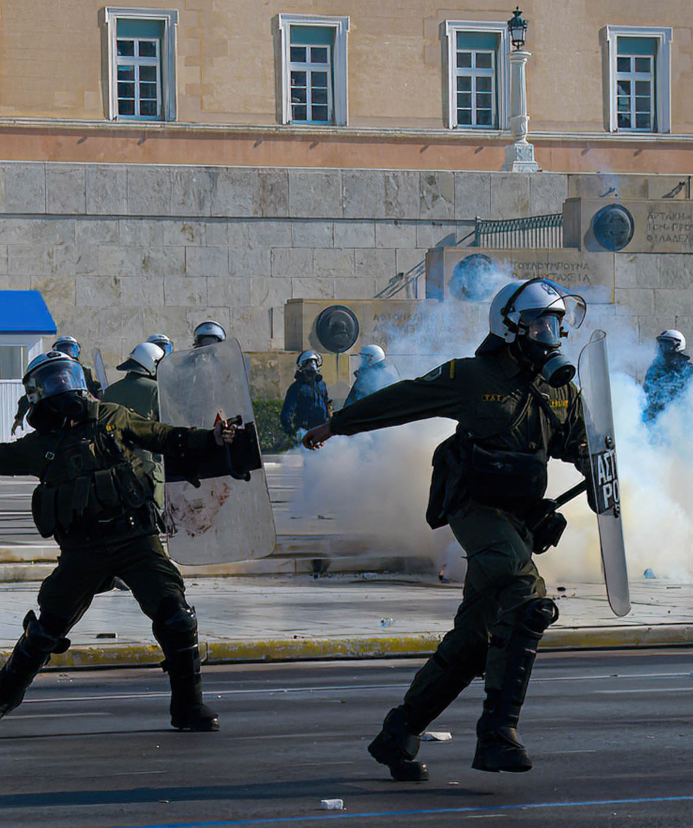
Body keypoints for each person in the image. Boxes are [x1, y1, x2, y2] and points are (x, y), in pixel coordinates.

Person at [303, 278, 591, 778]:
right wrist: (337, 424)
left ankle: (398, 734)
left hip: (518, 517)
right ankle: (496, 735)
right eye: (540, 323)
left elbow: (582, 443)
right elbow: (405, 399)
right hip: (475, 509)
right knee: (527, 600)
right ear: (510, 327)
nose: (551, 333)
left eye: (557, 323)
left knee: (474, 639)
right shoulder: (472, 376)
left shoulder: (559, 390)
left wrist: (602, 466)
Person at [0, 351, 257, 732]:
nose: (62, 388)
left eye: (66, 378)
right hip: (83, 551)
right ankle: (0, 698)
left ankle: (188, 708)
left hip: (135, 538)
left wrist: (213, 438)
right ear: (36, 395)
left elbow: (165, 437)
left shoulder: (112, 417)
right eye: (52, 383)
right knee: (46, 630)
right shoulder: (40, 446)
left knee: (177, 619)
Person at [102, 340, 166, 508]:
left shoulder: (110, 391)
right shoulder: (156, 389)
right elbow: (167, 424)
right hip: (147, 462)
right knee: (154, 510)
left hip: (114, 460)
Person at [14, 338, 102, 431]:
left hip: (85, 414)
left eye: (70, 349)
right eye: (63, 349)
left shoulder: (84, 372)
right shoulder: (49, 372)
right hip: (57, 418)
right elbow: (33, 395)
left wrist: (101, 396)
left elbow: (94, 389)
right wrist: (19, 417)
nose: (67, 352)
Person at [279, 350, 333, 440]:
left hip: (322, 429)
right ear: (302, 366)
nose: (312, 366)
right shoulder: (296, 387)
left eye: (314, 363)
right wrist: (290, 430)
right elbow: (287, 411)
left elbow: (326, 402)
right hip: (305, 430)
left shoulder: (321, 384)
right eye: (308, 363)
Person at [642, 328, 691, 424]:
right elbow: (646, 394)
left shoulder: (687, 371)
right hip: (655, 421)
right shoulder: (655, 370)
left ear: (676, 346)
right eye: (660, 345)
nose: (661, 349)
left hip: (679, 422)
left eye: (665, 345)